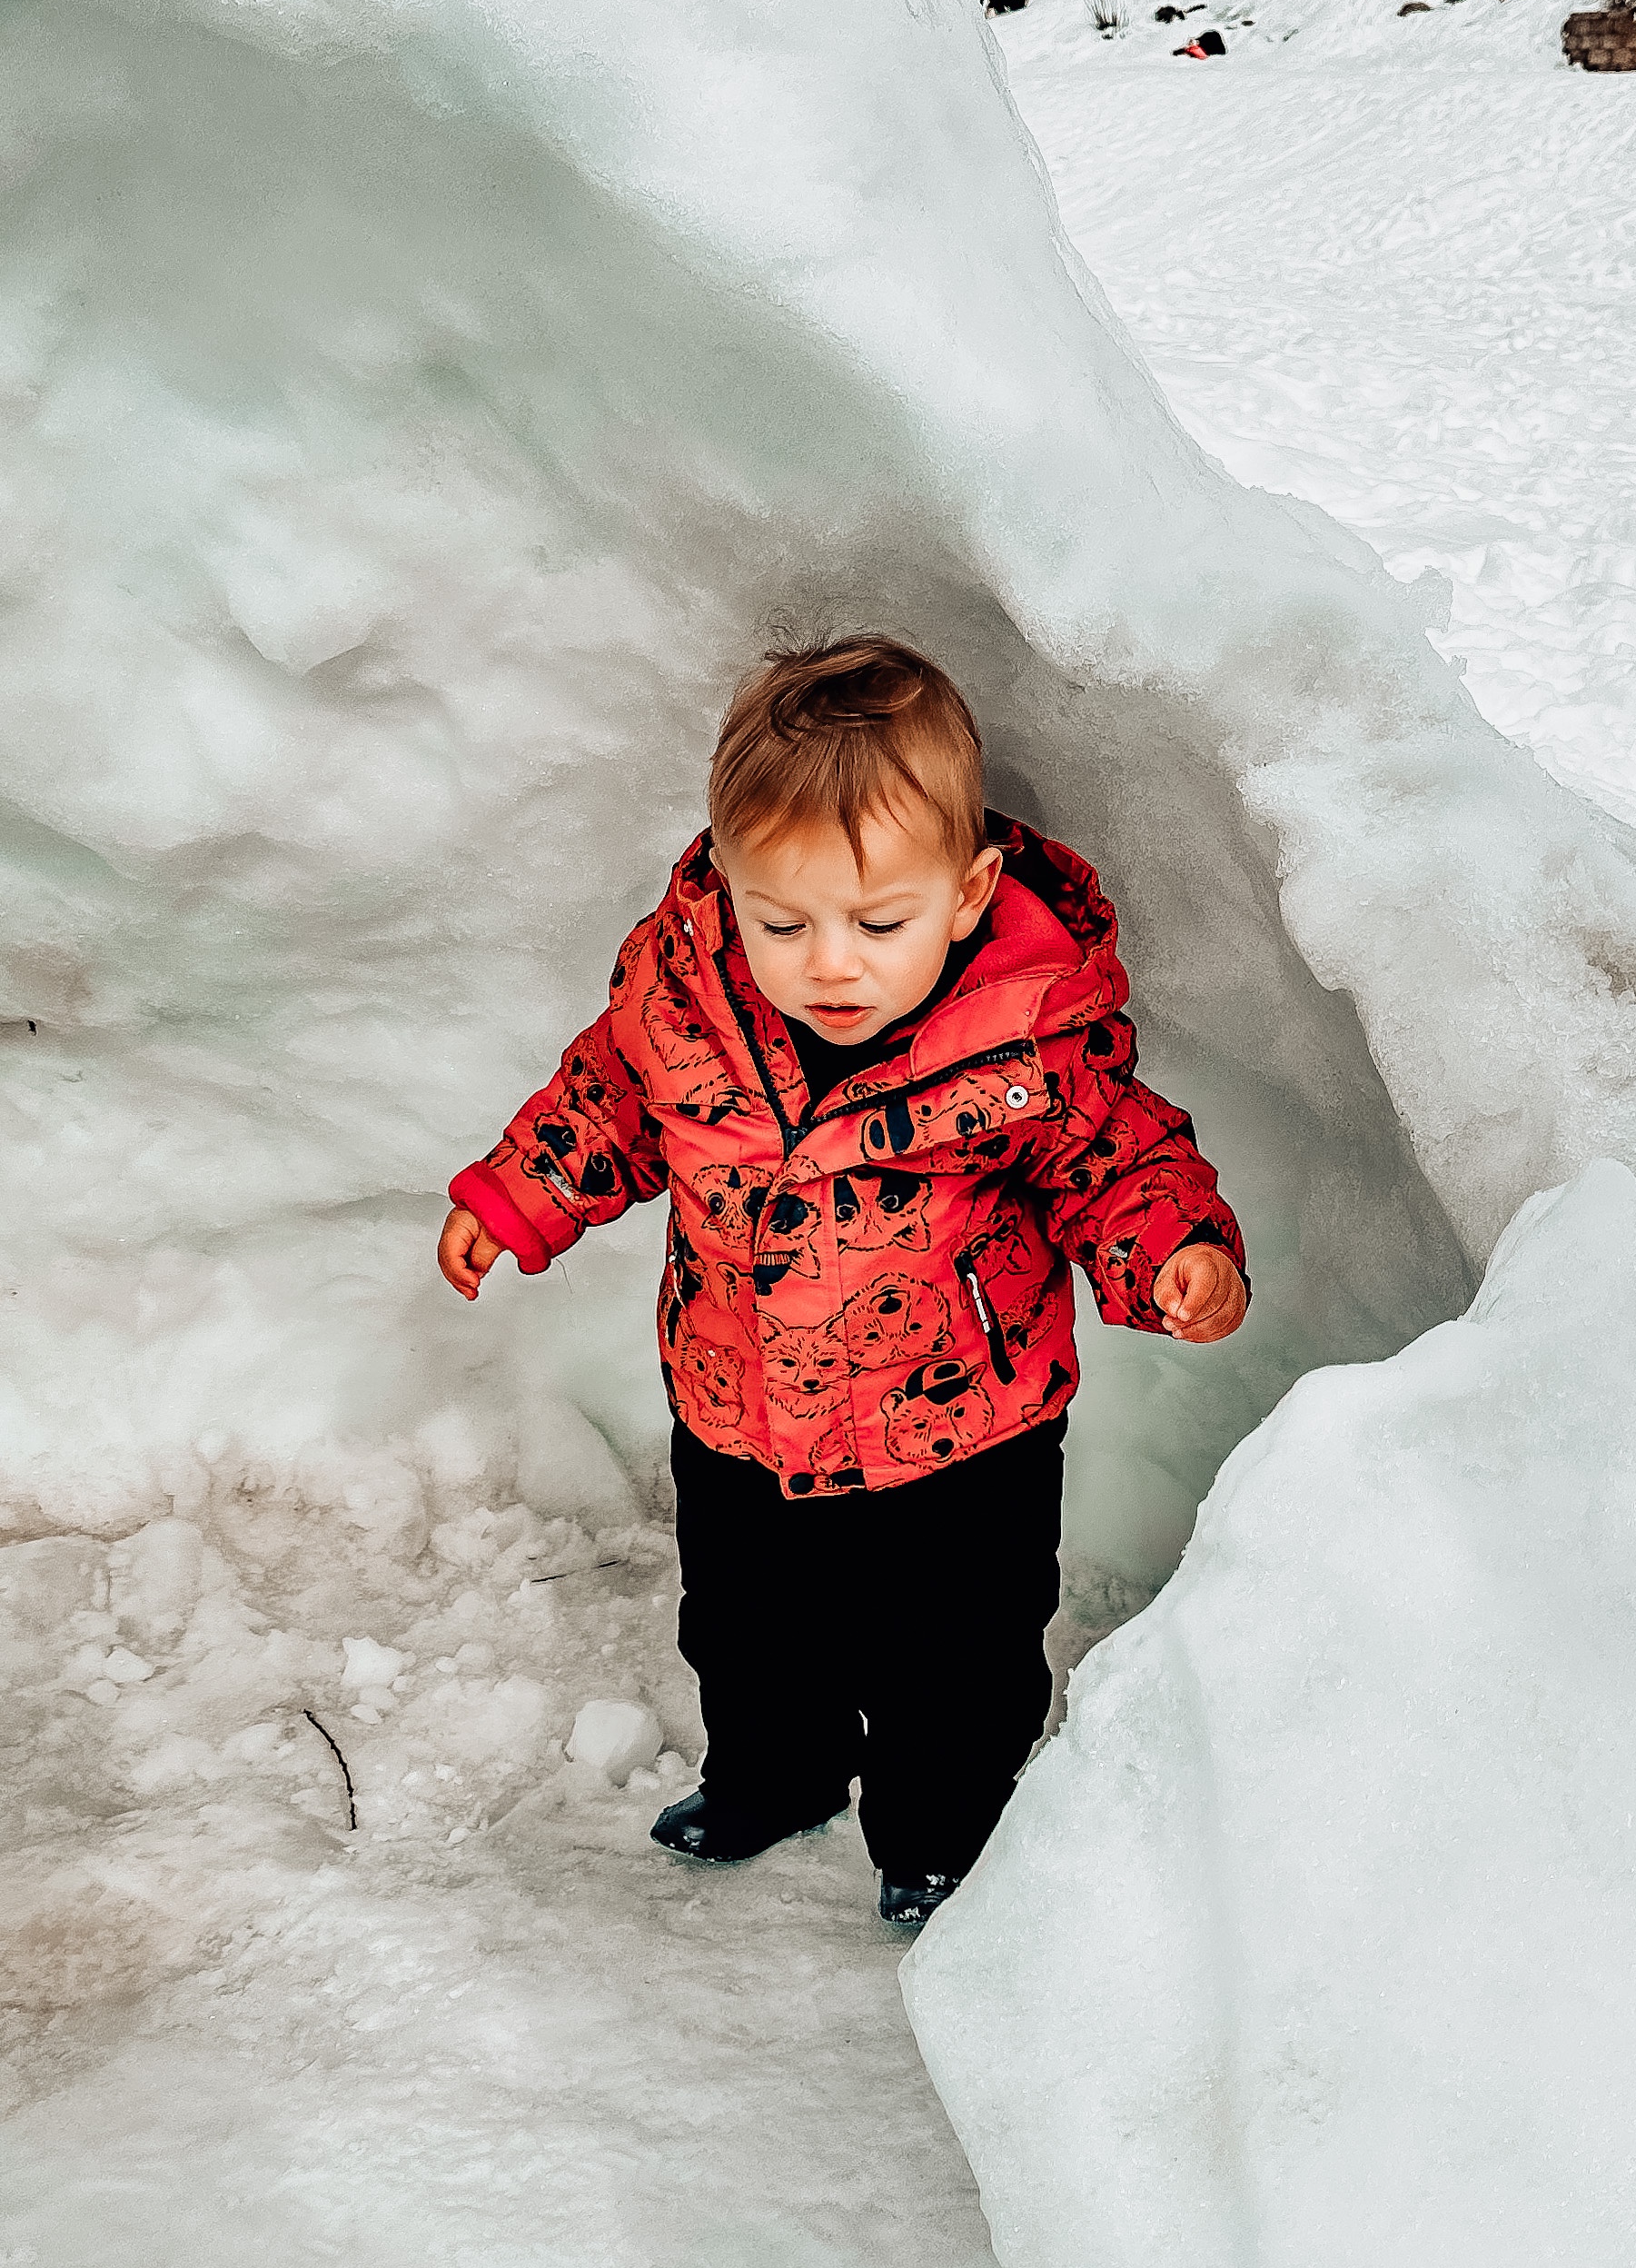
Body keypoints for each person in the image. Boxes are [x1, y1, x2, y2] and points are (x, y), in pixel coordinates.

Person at [439, 639, 1248, 1934]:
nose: (829, 963)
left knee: (958, 1666)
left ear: (972, 890)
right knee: (750, 1632)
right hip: (740, 1406)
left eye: (880, 924)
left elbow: (1114, 1155)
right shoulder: (685, 998)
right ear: (724, 880)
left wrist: (1171, 1253)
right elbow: (609, 1102)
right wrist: (518, 1195)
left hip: (963, 1434)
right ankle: (774, 1775)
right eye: (783, 921)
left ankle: (940, 1836)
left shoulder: (1027, 1035)